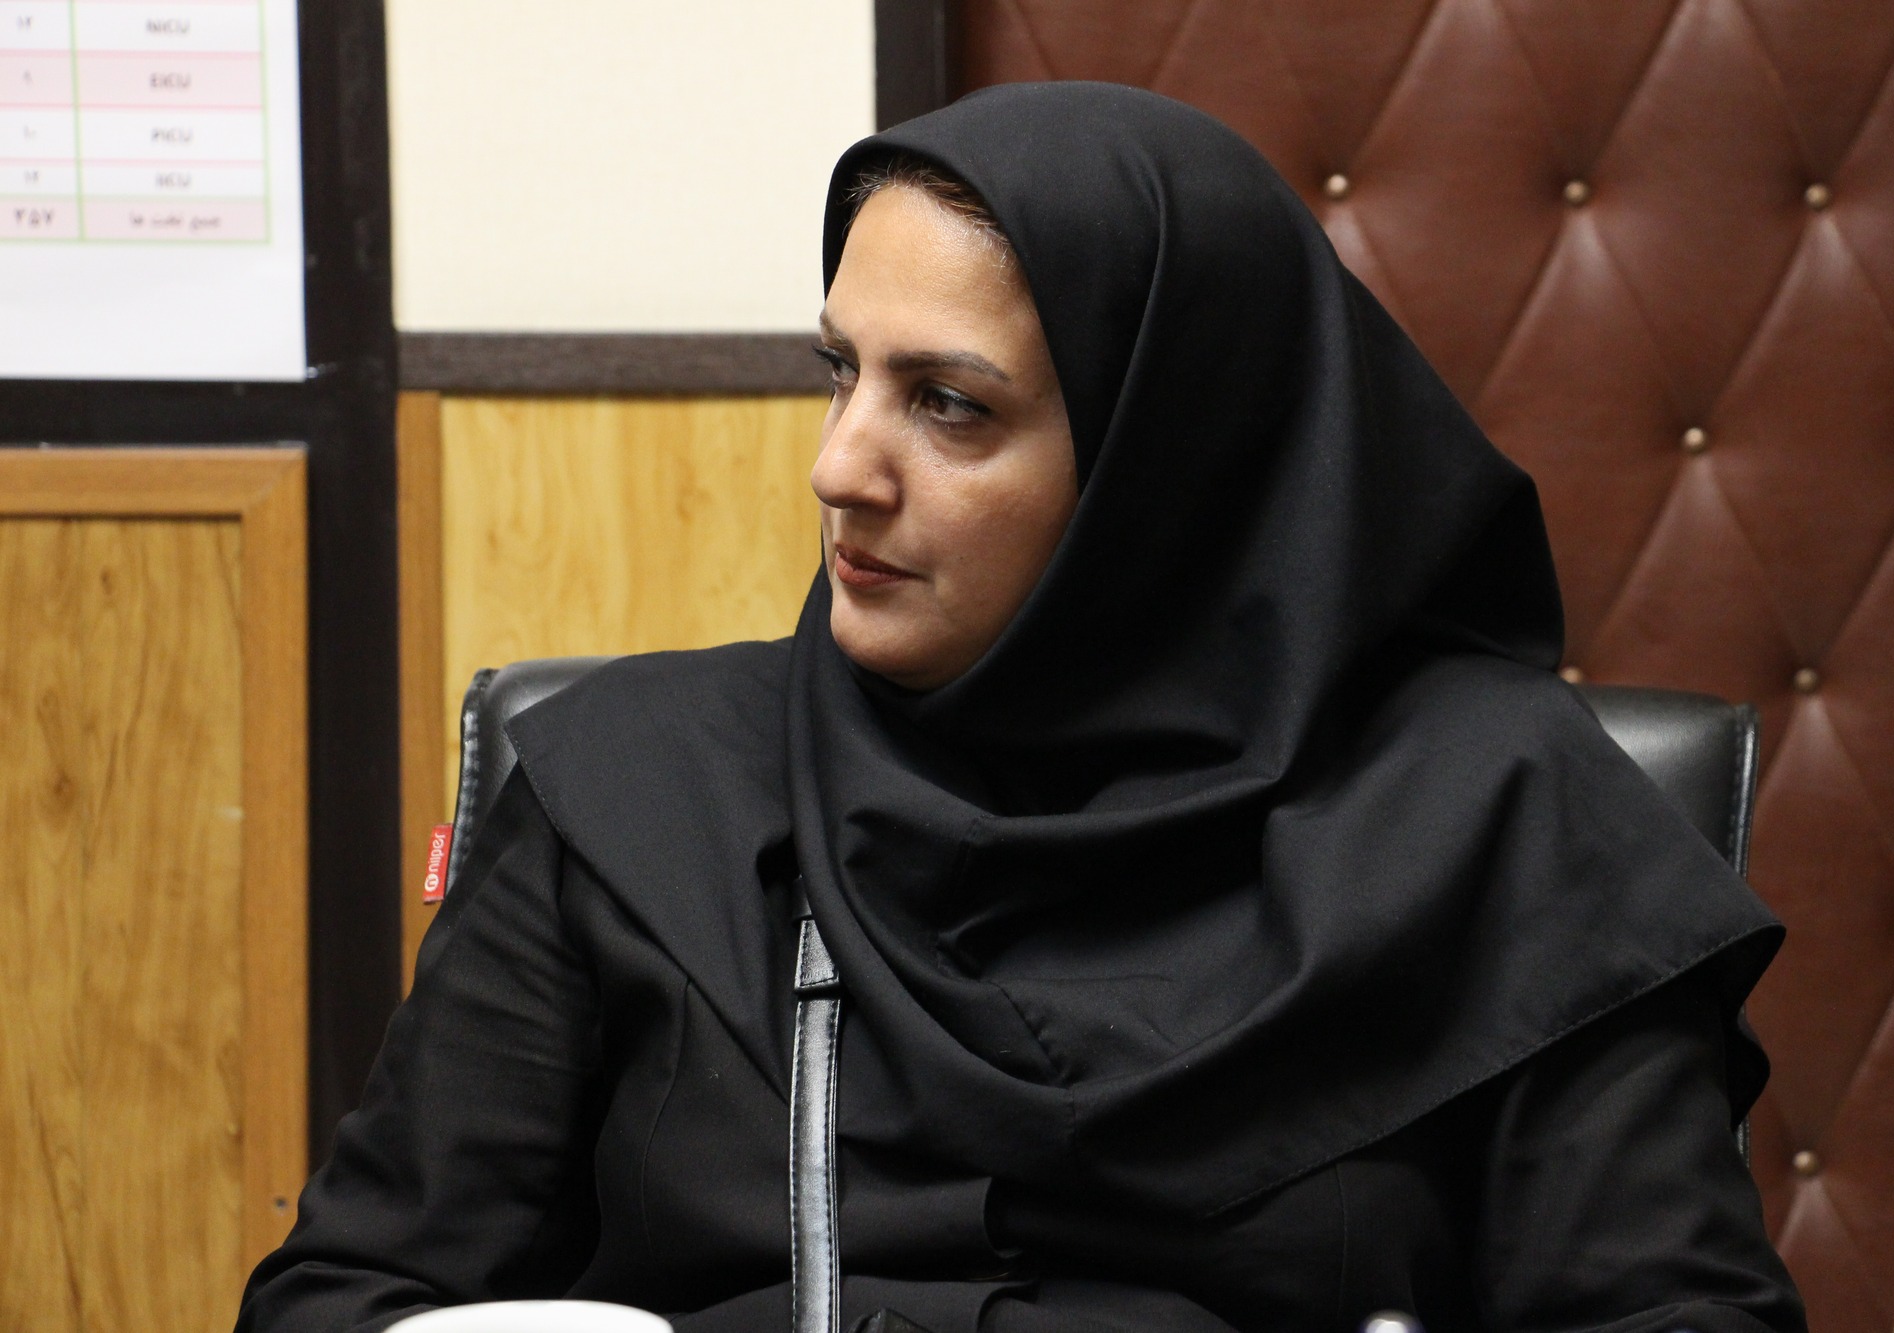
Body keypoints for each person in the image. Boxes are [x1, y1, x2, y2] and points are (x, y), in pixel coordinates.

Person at [238, 83, 1806, 1332]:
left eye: (948, 404)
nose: (839, 466)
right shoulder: (635, 798)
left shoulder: (1501, 825)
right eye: (840, 370)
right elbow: (347, 1296)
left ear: (1163, 469)